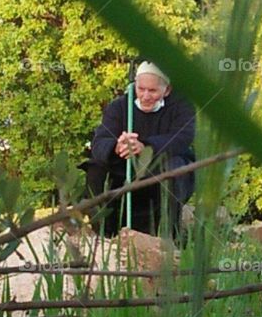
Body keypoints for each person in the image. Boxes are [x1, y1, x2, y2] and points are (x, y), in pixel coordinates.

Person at [83, 61, 196, 239]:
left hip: (159, 170)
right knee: (96, 169)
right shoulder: (119, 107)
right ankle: (104, 235)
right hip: (124, 172)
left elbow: (182, 138)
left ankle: (167, 237)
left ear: (166, 90)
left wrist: (146, 146)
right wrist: (117, 147)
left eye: (152, 91)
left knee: (176, 168)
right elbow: (100, 141)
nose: (145, 96)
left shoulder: (182, 107)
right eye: (140, 89)